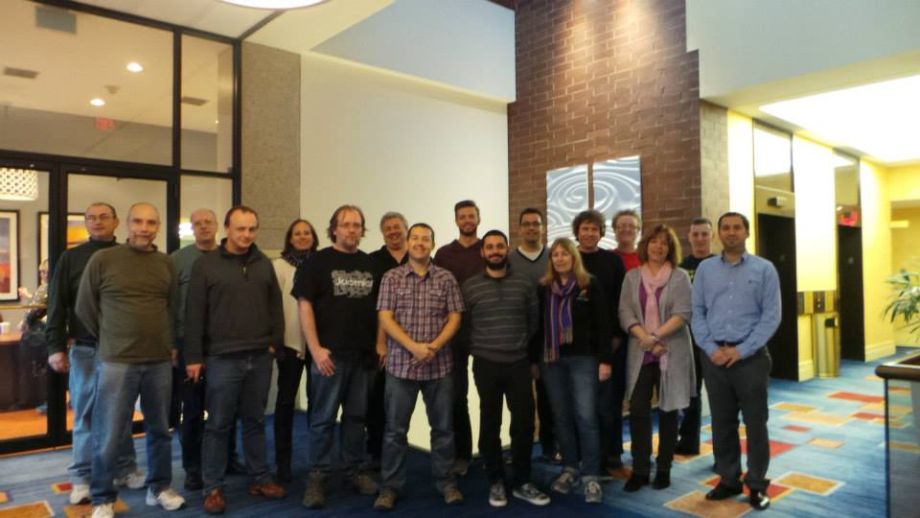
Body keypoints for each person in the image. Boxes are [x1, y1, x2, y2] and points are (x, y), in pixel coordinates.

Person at [75, 203, 185, 518]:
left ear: (158, 227)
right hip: (116, 361)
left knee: (160, 429)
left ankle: (159, 488)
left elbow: (171, 308)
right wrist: (110, 338)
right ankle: (102, 498)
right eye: (138, 221)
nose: (144, 228)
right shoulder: (104, 259)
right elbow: (84, 308)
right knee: (108, 432)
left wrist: (168, 344)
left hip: (158, 360)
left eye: (151, 222)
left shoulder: (165, 264)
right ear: (127, 224)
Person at [185, 206, 287, 515]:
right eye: (240, 228)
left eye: (252, 229)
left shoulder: (263, 263)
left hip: (259, 356)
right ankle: (213, 487)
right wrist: (194, 356)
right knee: (218, 425)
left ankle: (260, 477)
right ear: (227, 229)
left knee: (255, 421)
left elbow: (276, 306)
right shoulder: (206, 265)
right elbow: (194, 313)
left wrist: (274, 343)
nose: (246, 235)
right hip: (222, 359)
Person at [44, 203, 141, 505]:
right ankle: (82, 477)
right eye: (91, 218)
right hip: (85, 349)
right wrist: (55, 347)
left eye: (103, 217)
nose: (97, 222)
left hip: (122, 349)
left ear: (116, 222)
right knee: (85, 414)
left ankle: (124, 469)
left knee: (121, 412)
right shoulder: (70, 258)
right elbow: (57, 304)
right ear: (85, 223)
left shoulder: (128, 256)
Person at [692, 212, 781, 511]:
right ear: (719, 233)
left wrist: (741, 350)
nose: (731, 232)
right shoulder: (705, 269)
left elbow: (771, 316)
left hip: (751, 358)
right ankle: (728, 479)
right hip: (714, 358)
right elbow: (697, 312)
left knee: (756, 423)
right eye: (726, 228)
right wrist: (710, 348)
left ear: (747, 232)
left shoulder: (764, 269)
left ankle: (756, 484)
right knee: (722, 422)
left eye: (737, 228)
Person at [373, 223, 464, 510]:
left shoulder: (446, 278)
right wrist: (413, 347)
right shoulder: (391, 277)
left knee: (443, 429)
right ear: (408, 242)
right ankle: (390, 487)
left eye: (426, 239)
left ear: (432, 244)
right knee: (395, 432)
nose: (420, 243)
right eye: (415, 238)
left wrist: (433, 346)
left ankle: (446, 483)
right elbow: (385, 318)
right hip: (401, 367)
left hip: (439, 367)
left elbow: (455, 317)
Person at [296, 205, 379, 509]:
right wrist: (315, 349)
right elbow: (304, 306)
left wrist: (378, 345)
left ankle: (353, 470)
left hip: (363, 357)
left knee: (356, 418)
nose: (351, 230)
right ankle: (318, 475)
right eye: (346, 225)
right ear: (334, 229)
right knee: (323, 420)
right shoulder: (317, 262)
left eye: (357, 225)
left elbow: (381, 309)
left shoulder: (370, 264)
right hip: (329, 357)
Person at [464, 230, 549, 508]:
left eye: (499, 246)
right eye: (489, 247)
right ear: (482, 252)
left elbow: (534, 322)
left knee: (524, 423)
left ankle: (522, 481)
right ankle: (496, 480)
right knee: (490, 423)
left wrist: (521, 347)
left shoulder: (524, 283)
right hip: (486, 364)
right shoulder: (470, 286)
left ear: (507, 248)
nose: (495, 251)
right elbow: (465, 325)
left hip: (518, 363)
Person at [170, 208, 243, 491]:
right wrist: (173, 344)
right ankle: (193, 467)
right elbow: (170, 304)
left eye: (208, 222)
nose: (203, 227)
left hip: (224, 345)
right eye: (197, 223)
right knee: (192, 409)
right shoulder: (178, 260)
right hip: (188, 344)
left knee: (227, 407)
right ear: (192, 228)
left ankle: (228, 458)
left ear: (217, 226)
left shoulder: (231, 257)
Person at [618, 224, 695, 492]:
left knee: (668, 411)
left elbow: (683, 313)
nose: (658, 246)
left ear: (670, 248)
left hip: (672, 351)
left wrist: (655, 337)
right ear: (646, 245)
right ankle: (640, 469)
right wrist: (645, 338)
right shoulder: (632, 277)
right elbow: (625, 312)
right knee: (638, 410)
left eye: (664, 243)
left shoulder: (680, 277)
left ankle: (664, 468)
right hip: (640, 352)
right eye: (654, 241)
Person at [537, 238, 611, 503]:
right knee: (561, 416)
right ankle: (569, 468)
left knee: (586, 416)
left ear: (573, 257)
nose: (559, 258)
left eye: (564, 254)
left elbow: (603, 324)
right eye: (555, 255)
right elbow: (538, 325)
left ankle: (591, 475)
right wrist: (534, 361)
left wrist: (605, 360)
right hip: (551, 360)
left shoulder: (589, 285)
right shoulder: (544, 288)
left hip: (583, 360)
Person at [572, 210, 626, 472]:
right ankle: (584, 453)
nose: (589, 233)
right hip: (577, 345)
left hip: (609, 341)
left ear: (601, 232)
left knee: (608, 403)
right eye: (585, 228)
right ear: (577, 231)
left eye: (594, 229)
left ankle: (611, 452)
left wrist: (617, 335)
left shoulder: (613, 261)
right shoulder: (569, 258)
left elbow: (621, 300)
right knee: (582, 404)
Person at [433, 200, 482, 476]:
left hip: (485, 332)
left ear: (478, 218)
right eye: (462, 216)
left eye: (471, 216)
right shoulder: (443, 254)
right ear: (456, 221)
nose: (467, 220)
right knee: (456, 396)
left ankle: (490, 450)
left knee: (489, 396)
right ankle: (461, 455)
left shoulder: (489, 249)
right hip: (453, 333)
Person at [273, 218, 319, 483]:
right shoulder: (278, 266)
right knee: (285, 404)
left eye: (306, 233)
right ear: (290, 239)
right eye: (297, 233)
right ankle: (283, 464)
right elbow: (273, 306)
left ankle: (317, 465)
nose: (302, 237)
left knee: (317, 405)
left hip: (318, 346)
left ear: (313, 237)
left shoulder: (322, 264)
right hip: (289, 345)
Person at [508, 208, 556, 462]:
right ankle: (520, 452)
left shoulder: (553, 257)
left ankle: (550, 447)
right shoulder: (509, 260)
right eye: (526, 224)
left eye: (536, 224)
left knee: (549, 397)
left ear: (543, 228)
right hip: (518, 339)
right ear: (519, 229)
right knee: (520, 402)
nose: (531, 228)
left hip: (549, 338)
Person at [367, 212, 409, 471]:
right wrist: (378, 342)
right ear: (382, 233)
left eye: (397, 227)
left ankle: (401, 452)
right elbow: (372, 306)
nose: (393, 232)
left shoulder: (419, 258)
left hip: (414, 344)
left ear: (406, 229)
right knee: (377, 400)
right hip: (382, 344)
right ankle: (375, 452)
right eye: (388, 229)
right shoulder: (372, 261)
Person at [676, 217, 716, 456]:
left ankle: (723, 451)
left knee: (720, 396)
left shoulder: (721, 264)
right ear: (689, 237)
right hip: (687, 338)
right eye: (696, 234)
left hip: (714, 339)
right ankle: (689, 442)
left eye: (704, 234)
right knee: (691, 393)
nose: (700, 239)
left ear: (712, 236)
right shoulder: (681, 267)